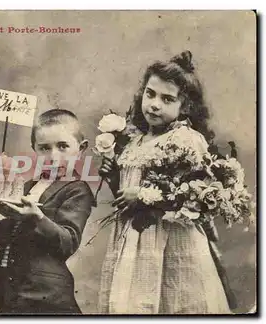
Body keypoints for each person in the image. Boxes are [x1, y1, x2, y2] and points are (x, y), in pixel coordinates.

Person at [97, 51, 233, 314]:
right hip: (133, 240)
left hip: (170, 239)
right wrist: (114, 176)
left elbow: (193, 194)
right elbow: (124, 196)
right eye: (150, 94)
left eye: (167, 99)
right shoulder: (134, 140)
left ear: (186, 107)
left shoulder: (185, 139)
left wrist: (145, 195)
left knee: (174, 300)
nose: (154, 104)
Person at [0, 109, 96, 314]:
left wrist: (39, 218)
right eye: (44, 148)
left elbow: (68, 242)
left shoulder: (77, 190)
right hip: (11, 286)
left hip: (44, 292)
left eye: (63, 146)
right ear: (34, 149)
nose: (53, 156)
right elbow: (6, 236)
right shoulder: (28, 186)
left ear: (81, 149)